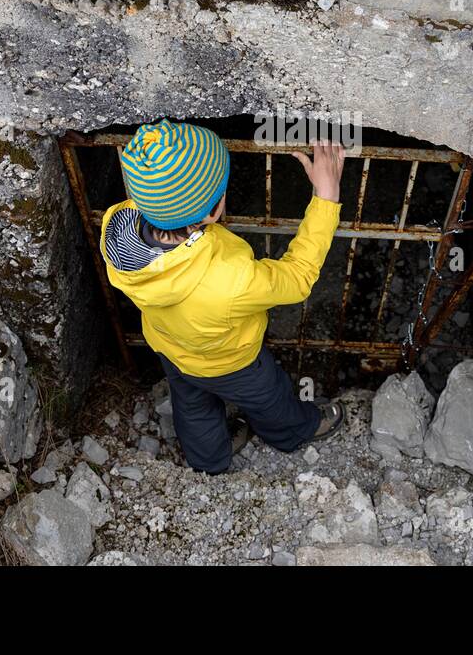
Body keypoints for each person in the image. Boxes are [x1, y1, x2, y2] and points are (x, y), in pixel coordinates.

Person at [100, 119, 346, 474]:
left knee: (192, 407)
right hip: (234, 362)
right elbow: (297, 278)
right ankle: (293, 432)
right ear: (212, 211)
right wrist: (325, 198)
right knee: (270, 396)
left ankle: (209, 461)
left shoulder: (121, 234)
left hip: (172, 350)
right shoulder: (231, 277)